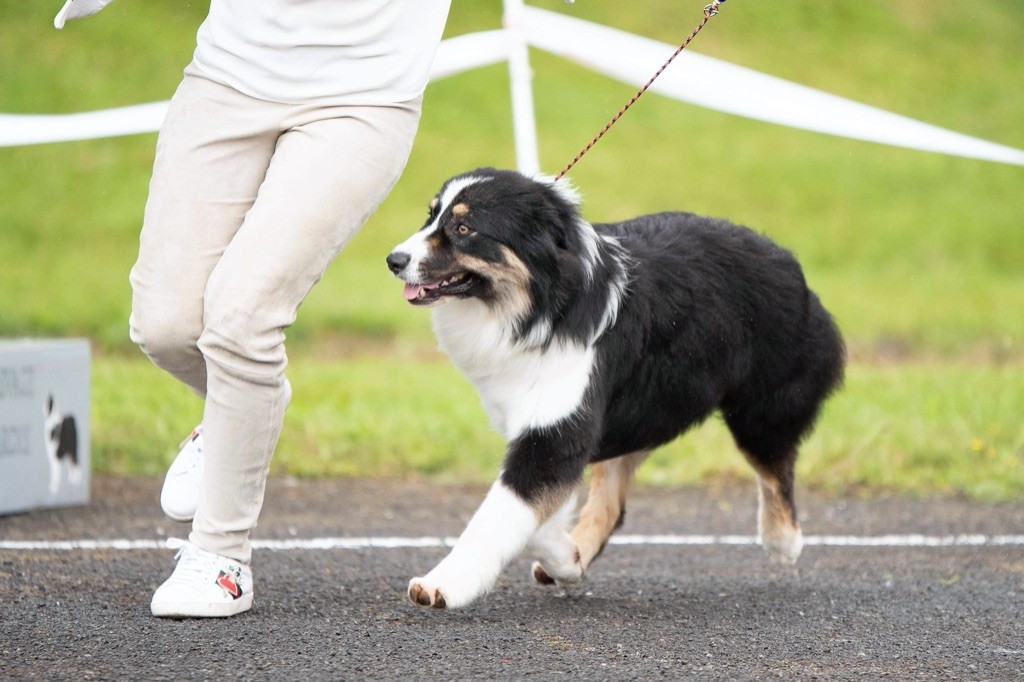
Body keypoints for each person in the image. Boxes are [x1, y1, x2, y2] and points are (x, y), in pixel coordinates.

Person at [57, 0, 452, 618]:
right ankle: (236, 410)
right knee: (165, 325)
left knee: (242, 321)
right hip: (227, 76)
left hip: (364, 95)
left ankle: (221, 559)